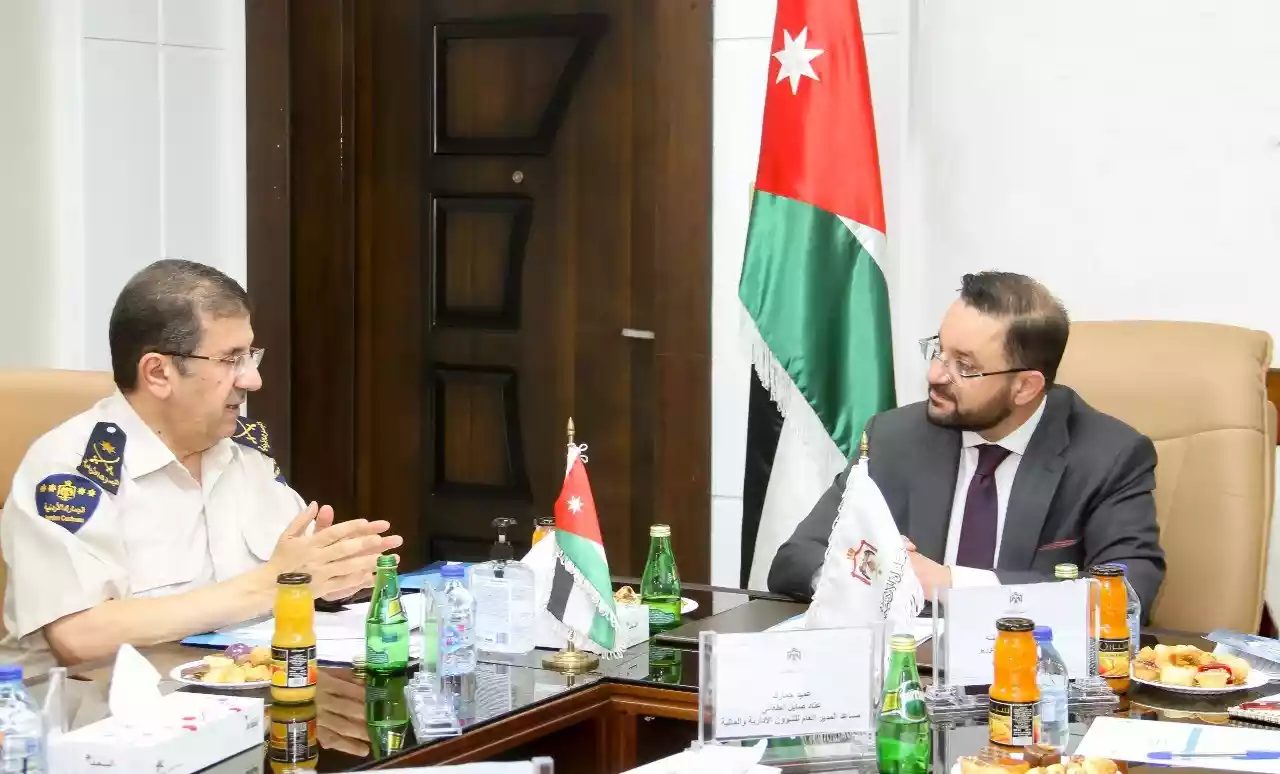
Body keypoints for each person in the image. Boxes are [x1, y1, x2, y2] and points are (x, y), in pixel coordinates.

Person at [0, 259, 403, 674]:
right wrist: (271, 585)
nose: (252, 380)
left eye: (250, 356)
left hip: (243, 695)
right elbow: (79, 636)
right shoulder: (71, 470)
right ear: (159, 373)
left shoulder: (244, 454)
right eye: (231, 360)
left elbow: (296, 571)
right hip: (102, 706)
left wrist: (336, 577)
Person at [768, 272, 1165, 617]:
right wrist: (873, 578)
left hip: (1029, 668)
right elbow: (796, 558)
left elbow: (1129, 594)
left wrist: (948, 583)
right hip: (910, 665)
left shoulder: (1109, 457)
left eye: (965, 366)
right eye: (939, 350)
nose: (935, 374)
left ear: (1026, 387)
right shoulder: (894, 437)